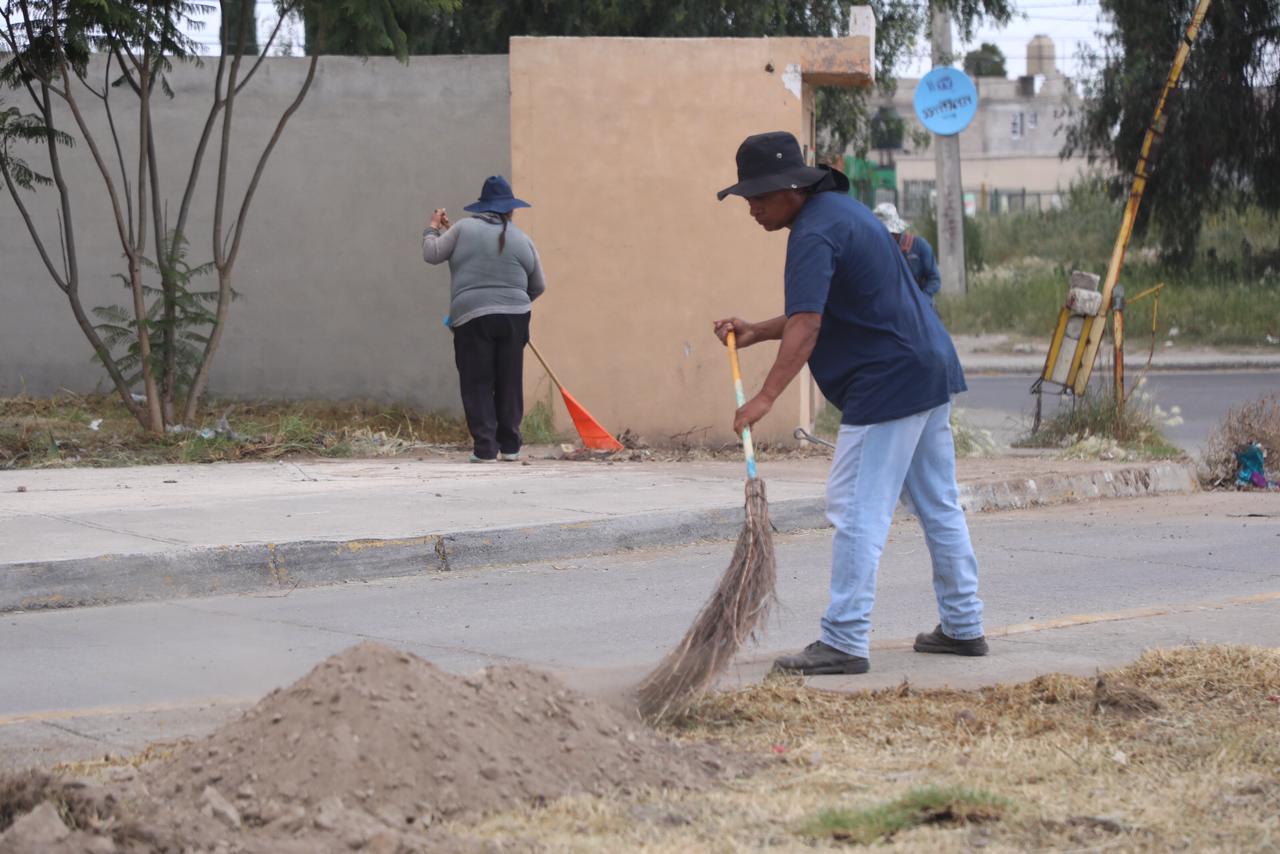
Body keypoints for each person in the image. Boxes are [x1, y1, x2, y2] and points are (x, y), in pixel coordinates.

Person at [713, 131, 986, 675]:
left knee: (856, 506)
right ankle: (963, 625)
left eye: (759, 198)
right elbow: (820, 311)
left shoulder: (812, 234)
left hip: (888, 382)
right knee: (938, 503)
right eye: (748, 199)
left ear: (792, 188)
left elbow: (810, 323)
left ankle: (843, 638)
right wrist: (758, 331)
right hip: (926, 367)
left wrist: (766, 397)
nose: (753, 209)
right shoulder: (843, 214)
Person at [423, 175, 546, 463]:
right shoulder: (522, 238)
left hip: (472, 317)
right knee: (509, 381)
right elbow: (538, 285)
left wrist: (432, 228)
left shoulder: (463, 228)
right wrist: (513, 305)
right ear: (510, 209)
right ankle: (511, 447)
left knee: (477, 381)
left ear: (482, 206)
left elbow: (432, 254)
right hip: (515, 318)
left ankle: (486, 449)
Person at [874, 202, 942, 300]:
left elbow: (934, 279)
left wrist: (923, 299)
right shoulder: (875, 250)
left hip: (919, 305)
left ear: (896, 232)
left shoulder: (919, 246)